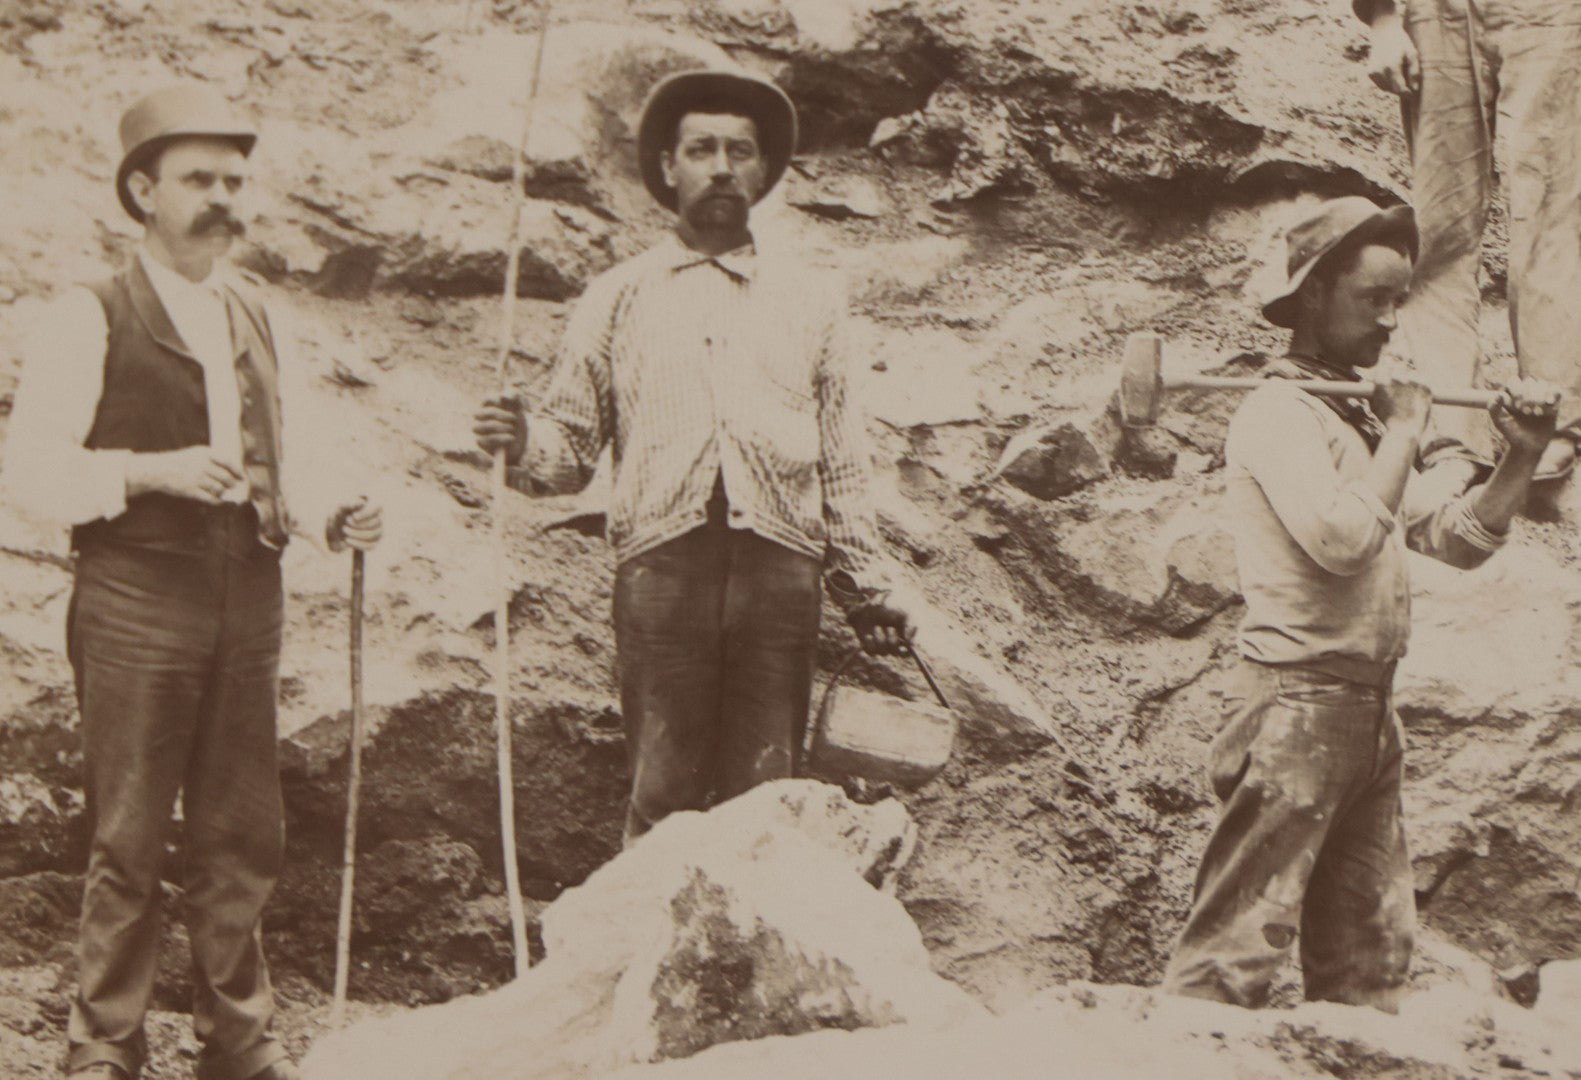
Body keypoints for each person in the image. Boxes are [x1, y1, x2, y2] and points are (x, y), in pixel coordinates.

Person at [3, 85, 383, 1080]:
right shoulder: (88, 313)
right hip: (136, 593)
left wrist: (336, 512)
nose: (223, 199)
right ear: (143, 190)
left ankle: (239, 1042)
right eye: (199, 180)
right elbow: (26, 474)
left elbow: (289, 457)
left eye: (234, 180)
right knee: (128, 832)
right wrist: (148, 472)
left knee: (241, 829)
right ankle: (104, 1044)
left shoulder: (256, 311)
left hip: (247, 595)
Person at [472, 70, 913, 843]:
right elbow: (569, 449)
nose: (721, 167)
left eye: (739, 151)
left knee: (767, 795)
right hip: (662, 571)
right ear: (668, 167)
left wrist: (865, 589)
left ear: (764, 171)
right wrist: (520, 442)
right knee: (662, 786)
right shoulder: (617, 296)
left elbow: (840, 461)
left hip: (780, 573)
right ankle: (644, 915)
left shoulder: (811, 300)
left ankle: (755, 919)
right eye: (701, 150)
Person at [1160, 197, 1557, 1011]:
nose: (1389, 321)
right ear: (1312, 294)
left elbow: (1455, 540)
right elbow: (1340, 539)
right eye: (1371, 298)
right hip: (1293, 706)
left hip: (1367, 711)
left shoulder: (1352, 414)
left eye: (1398, 300)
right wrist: (1405, 431)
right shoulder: (1277, 414)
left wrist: (1517, 457)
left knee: (1369, 964)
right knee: (1229, 959)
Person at [1358, 0, 1581, 480]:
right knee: (1438, 232)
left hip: (1553, 13)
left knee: (1549, 212)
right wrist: (1382, 17)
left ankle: (1551, 420)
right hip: (1438, 13)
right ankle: (1452, 436)